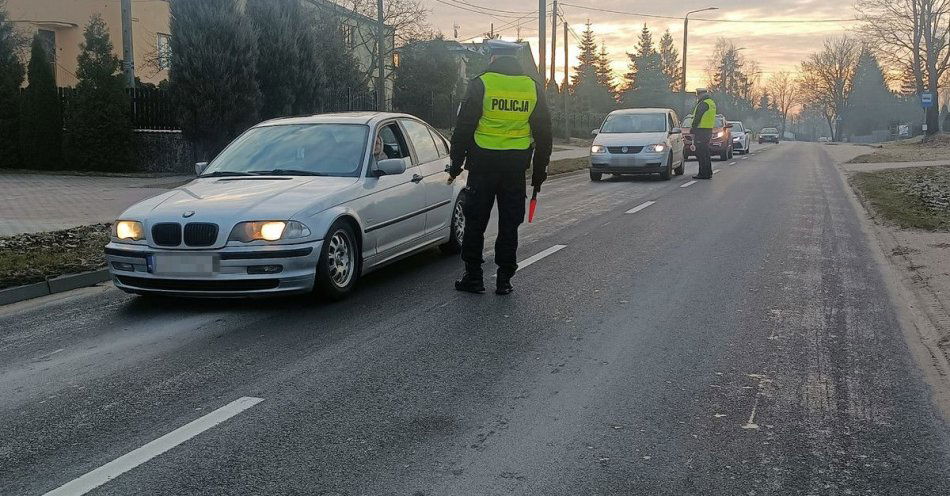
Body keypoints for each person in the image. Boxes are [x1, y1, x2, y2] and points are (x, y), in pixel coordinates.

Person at [447, 40, 553, 295]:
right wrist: (539, 172)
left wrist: (455, 164)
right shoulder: (532, 87)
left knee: (475, 221)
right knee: (509, 223)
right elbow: (544, 133)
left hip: (483, 165)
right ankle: (504, 279)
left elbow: (463, 128)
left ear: (492, 56)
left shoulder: (481, 83)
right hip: (515, 168)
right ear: (516, 58)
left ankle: (474, 277)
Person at [690, 88, 717, 180]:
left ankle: (703, 173)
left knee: (701, 153)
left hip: (701, 130)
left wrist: (693, 128)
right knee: (705, 153)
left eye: (697, 95)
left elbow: (697, 117)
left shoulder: (703, 104)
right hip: (708, 130)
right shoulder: (711, 103)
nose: (697, 97)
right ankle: (708, 172)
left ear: (700, 94)